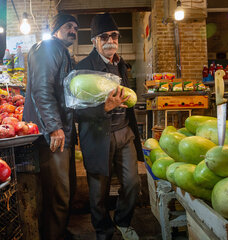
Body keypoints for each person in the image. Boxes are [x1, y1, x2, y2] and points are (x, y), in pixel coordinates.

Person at [75, 13, 144, 240]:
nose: (110, 41)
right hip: (97, 136)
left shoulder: (122, 65)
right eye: (104, 36)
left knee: (132, 183)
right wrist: (104, 108)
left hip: (124, 133)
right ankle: (103, 231)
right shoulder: (83, 68)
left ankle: (123, 222)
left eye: (114, 36)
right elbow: (75, 111)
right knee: (98, 191)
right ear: (94, 40)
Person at [22, 13, 79, 240]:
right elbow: (42, 89)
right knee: (59, 193)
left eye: (75, 27)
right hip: (51, 134)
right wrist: (54, 127)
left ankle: (60, 232)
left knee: (66, 190)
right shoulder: (47, 48)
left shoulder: (60, 51)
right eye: (68, 26)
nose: (73, 30)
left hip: (61, 131)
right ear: (56, 29)